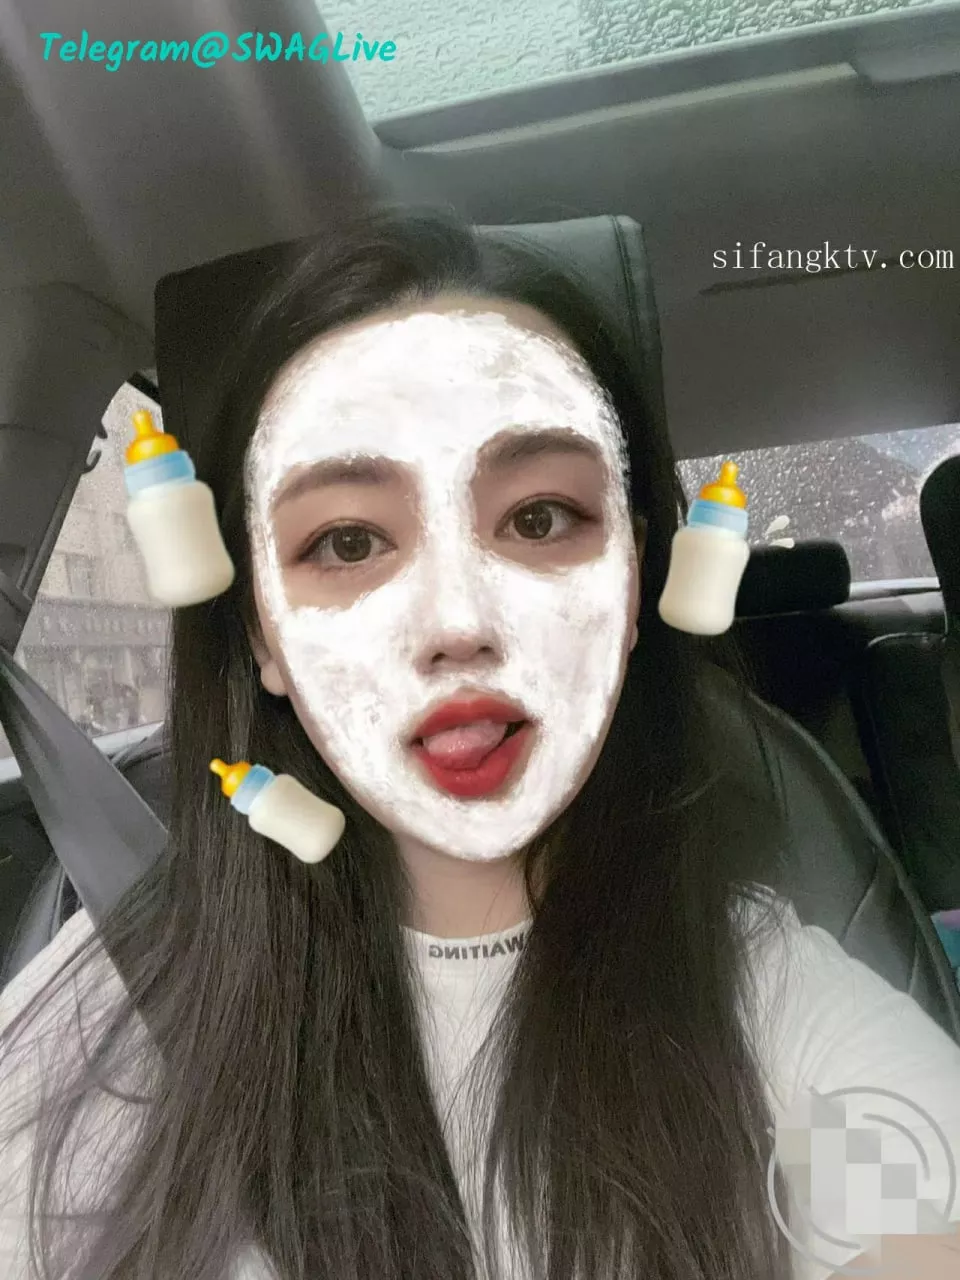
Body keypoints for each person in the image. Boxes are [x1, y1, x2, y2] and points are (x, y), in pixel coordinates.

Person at [1, 205, 958, 1280]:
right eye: (348, 541)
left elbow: (920, 1222)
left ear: (632, 580)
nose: (458, 624)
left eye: (539, 518)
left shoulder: (763, 995)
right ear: (263, 631)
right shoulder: (111, 1009)